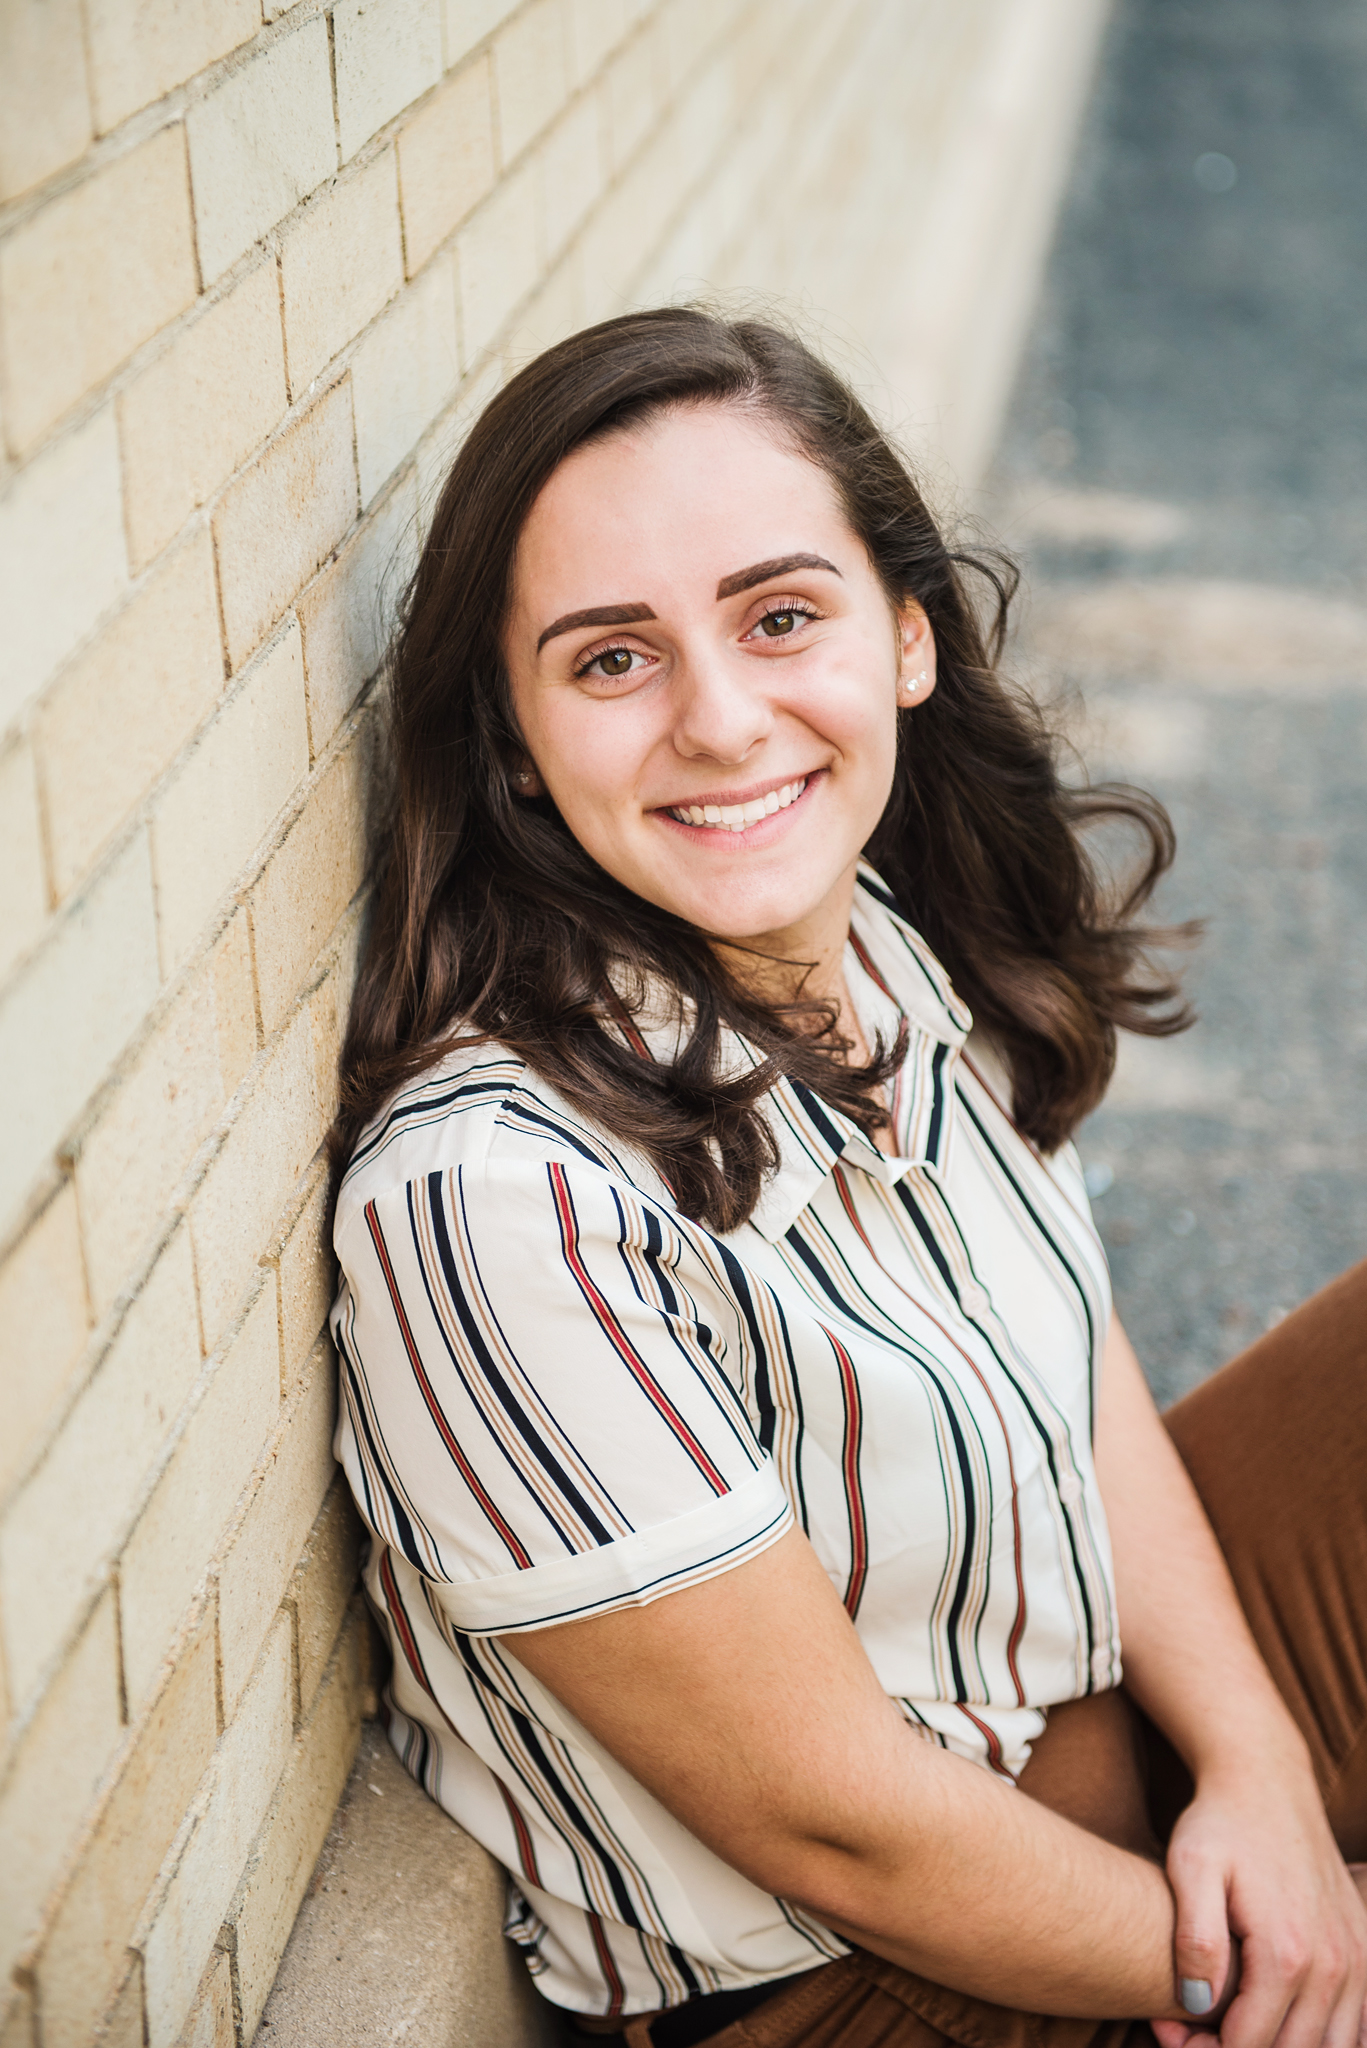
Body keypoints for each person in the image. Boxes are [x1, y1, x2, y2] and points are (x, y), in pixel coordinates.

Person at [329, 308, 1367, 2048]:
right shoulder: (494, 1202)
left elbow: (1070, 1342)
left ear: (905, 636)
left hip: (1077, 1740)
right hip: (858, 1985)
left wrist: (1258, 1770)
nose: (724, 722)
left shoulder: (865, 935)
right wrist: (1292, 1961)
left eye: (779, 616)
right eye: (609, 660)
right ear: (513, 739)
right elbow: (840, 1829)